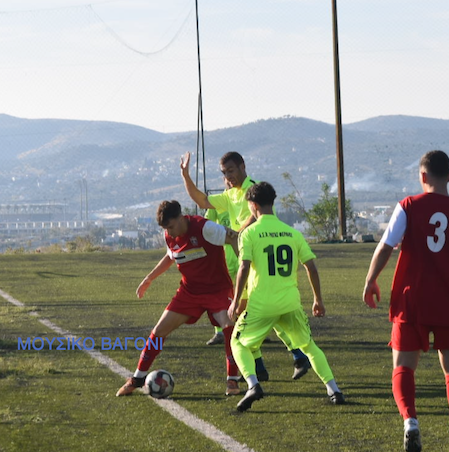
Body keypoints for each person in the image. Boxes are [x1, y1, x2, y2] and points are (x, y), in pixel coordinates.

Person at [363, 150, 449, 452]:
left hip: (413, 298)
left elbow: (385, 247)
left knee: (404, 365)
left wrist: (370, 280)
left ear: (423, 177)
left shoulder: (408, 206)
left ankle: (410, 420)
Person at [181, 151, 312, 381]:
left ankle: (285, 359)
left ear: (242, 167)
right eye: (224, 173)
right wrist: (185, 175)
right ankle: (272, 363)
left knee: (251, 315)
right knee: (251, 316)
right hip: (237, 261)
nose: (228, 177)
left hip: (253, 263)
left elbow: (257, 216)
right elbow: (201, 200)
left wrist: (239, 233)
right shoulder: (229, 194)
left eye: (231, 171)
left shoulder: (254, 190)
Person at [227, 181, 344, 412]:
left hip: (262, 304)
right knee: (309, 346)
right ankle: (334, 389)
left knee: (237, 342)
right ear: (272, 203)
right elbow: (311, 266)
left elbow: (243, 268)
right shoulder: (293, 233)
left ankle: (252, 385)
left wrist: (235, 300)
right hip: (290, 303)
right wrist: (317, 299)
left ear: (253, 205)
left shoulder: (249, 233)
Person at [116, 200, 243, 397]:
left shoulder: (205, 228)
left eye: (171, 227)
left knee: (228, 326)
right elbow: (170, 256)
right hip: (189, 292)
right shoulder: (169, 234)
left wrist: (245, 270)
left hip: (217, 290)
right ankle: (137, 378)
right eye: (166, 229)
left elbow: (234, 238)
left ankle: (232, 380)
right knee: (158, 331)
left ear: (181, 218)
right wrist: (149, 278)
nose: (170, 232)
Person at [203, 177, 236, 346]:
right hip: (224, 260)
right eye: (226, 178)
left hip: (243, 257)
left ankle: (251, 329)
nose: (230, 181)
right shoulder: (218, 202)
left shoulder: (242, 200)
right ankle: (219, 332)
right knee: (221, 297)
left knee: (249, 296)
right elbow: (206, 225)